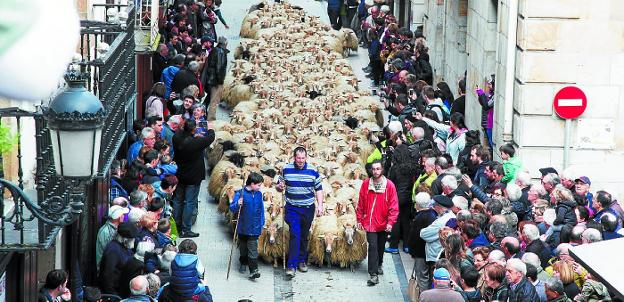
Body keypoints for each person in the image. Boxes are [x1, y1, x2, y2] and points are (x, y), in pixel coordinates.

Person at [277, 147, 324, 278]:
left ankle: (302, 260)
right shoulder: (286, 169)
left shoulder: (313, 170)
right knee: (295, 234)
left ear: (306, 158)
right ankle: (291, 265)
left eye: (303, 158)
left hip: (308, 208)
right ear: (294, 157)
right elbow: (279, 185)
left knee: (304, 235)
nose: (301, 161)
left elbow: (319, 189)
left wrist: (320, 205)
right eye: (298, 158)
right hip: (292, 208)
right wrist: (280, 187)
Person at [356, 160, 399, 286]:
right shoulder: (366, 184)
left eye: (378, 169)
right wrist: (359, 219)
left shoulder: (389, 185)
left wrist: (391, 222)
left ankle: (379, 263)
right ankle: (373, 274)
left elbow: (394, 206)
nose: (375, 171)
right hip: (370, 223)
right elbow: (361, 202)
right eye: (373, 169)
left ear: (382, 170)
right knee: (373, 247)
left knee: (381, 246)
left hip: (384, 223)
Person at [172, 119, 215, 238]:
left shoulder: (176, 137)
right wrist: (210, 127)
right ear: (193, 129)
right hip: (193, 176)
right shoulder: (196, 143)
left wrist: (194, 136)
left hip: (180, 173)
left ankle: (176, 226)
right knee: (189, 202)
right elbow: (211, 137)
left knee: (178, 200)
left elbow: (184, 137)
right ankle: (186, 229)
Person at [229, 172, 265, 279]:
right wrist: (237, 204)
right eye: (259, 185)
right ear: (252, 184)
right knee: (243, 248)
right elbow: (232, 208)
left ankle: (253, 270)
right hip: (243, 227)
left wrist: (262, 222)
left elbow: (261, 209)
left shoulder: (259, 194)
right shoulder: (240, 194)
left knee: (253, 248)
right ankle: (243, 262)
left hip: (255, 227)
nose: (260, 187)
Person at [98, 222, 140, 296]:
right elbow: (108, 275)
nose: (134, 241)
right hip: (115, 293)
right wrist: (113, 295)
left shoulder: (126, 247)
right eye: (132, 239)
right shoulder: (113, 250)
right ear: (125, 239)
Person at [407, 192, 437, 292]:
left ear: (418, 204)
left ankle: (424, 297)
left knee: (422, 277)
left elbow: (414, 237)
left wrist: (411, 251)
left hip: (420, 253)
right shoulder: (432, 215)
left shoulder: (420, 218)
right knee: (429, 277)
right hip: (430, 253)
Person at [202, 36, 228, 120]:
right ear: (225, 43)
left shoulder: (214, 50)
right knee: (214, 101)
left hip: (210, 79)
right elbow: (219, 67)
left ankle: (202, 111)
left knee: (209, 98)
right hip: (215, 81)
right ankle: (211, 119)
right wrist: (220, 81)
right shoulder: (221, 52)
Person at [96, 205, 129, 269]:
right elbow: (108, 253)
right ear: (119, 217)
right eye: (122, 215)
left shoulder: (113, 228)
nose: (124, 216)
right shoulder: (105, 232)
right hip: (107, 268)